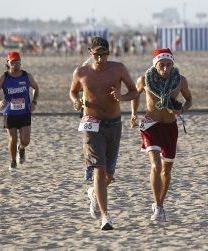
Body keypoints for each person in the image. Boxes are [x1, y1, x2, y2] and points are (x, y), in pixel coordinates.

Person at [69, 37, 138, 230]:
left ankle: (93, 194)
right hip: (92, 124)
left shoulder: (118, 69)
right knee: (99, 169)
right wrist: (75, 101)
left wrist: (121, 97)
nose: (100, 59)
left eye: (104, 54)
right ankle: (105, 217)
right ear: (90, 53)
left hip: (114, 123)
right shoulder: (81, 72)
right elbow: (73, 91)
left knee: (109, 174)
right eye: (96, 55)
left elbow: (134, 92)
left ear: (109, 53)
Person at [130, 48, 192, 222]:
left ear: (173, 64)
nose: (165, 68)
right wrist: (134, 113)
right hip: (151, 126)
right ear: (155, 65)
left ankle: (160, 204)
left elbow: (189, 100)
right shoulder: (144, 80)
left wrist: (181, 110)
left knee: (167, 170)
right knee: (156, 166)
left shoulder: (180, 81)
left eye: (168, 64)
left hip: (170, 127)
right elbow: (135, 95)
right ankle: (157, 206)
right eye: (162, 65)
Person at [0, 51, 39, 170]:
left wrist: (34, 102)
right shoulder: (3, 77)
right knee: (12, 139)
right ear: (8, 63)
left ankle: (22, 148)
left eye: (17, 62)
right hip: (10, 113)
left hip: (24, 112)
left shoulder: (26, 76)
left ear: (20, 62)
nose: (15, 65)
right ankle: (13, 161)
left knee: (26, 140)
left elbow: (36, 88)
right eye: (12, 62)